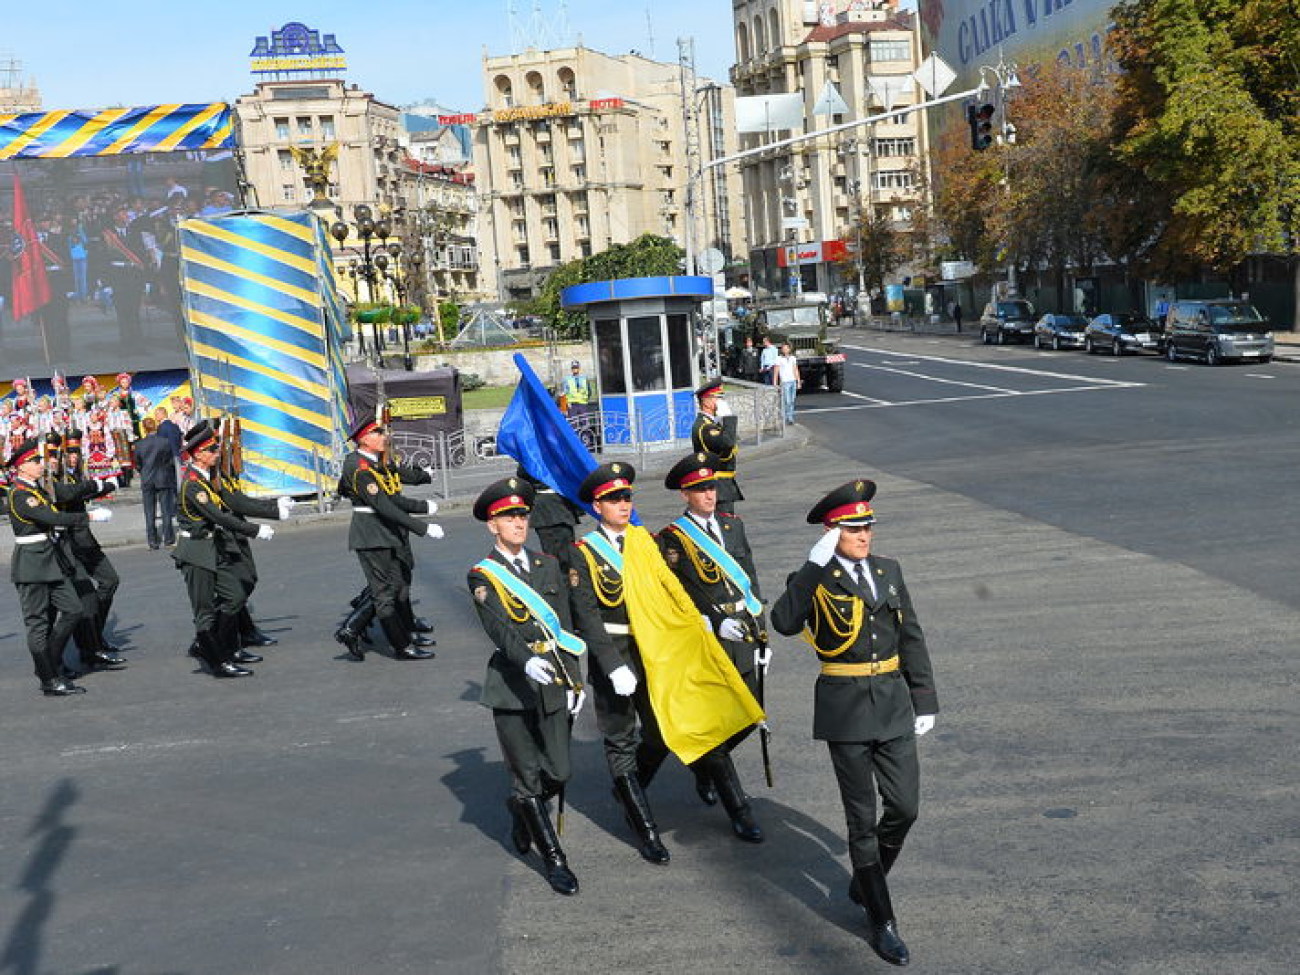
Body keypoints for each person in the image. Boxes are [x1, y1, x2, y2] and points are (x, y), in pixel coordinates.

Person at [770, 479, 939, 967]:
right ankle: (882, 920)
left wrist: (924, 698)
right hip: (844, 709)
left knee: (905, 807)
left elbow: (911, 636)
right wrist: (813, 564)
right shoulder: (812, 578)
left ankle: (867, 879)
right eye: (852, 527)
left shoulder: (889, 570)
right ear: (831, 532)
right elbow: (783, 622)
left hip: (892, 702)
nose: (864, 535)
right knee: (860, 818)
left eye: (868, 526)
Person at [466, 476, 621, 896]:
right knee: (528, 776)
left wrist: (574, 677)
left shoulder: (546, 565)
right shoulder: (482, 576)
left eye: (522, 514)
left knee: (560, 770)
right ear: (491, 525)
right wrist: (527, 660)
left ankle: (519, 808)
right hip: (513, 687)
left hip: (555, 681)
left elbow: (566, 627)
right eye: (508, 516)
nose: (518, 522)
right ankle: (554, 859)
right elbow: (499, 627)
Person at [653, 451, 766, 842]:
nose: (709, 494)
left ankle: (703, 766)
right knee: (716, 725)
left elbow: (750, 579)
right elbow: (677, 591)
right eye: (700, 489)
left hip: (744, 633)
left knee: (750, 714)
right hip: (708, 638)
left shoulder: (733, 526)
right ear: (685, 494)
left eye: (711, 486)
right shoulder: (673, 538)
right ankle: (739, 808)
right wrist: (715, 621)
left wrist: (761, 631)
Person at [568, 462, 669, 865]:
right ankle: (644, 827)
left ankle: (630, 789)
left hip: (652, 652)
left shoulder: (647, 543)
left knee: (661, 735)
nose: (623, 504)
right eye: (614, 499)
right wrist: (611, 664)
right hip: (616, 655)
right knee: (621, 737)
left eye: (627, 497)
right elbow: (587, 615)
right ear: (597, 506)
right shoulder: (583, 554)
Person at [5, 437, 113, 696]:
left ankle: (50, 662)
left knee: (73, 609)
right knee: (38, 623)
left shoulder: (37, 490)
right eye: (34, 461)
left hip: (51, 559)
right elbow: (50, 517)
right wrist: (87, 516)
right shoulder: (21, 495)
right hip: (32, 562)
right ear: (21, 467)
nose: (40, 464)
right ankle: (48, 679)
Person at [172, 421, 280, 678]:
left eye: (216, 447)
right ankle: (218, 661)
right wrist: (254, 529)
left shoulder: (207, 478)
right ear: (197, 453)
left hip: (212, 547)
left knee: (234, 595)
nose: (216, 452)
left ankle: (227, 648)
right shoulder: (194, 485)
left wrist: (271, 508)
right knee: (204, 611)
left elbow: (228, 503)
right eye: (211, 449)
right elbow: (219, 517)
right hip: (196, 552)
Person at [333, 416, 443, 662]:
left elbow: (393, 485)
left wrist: (422, 480)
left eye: (383, 432)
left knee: (397, 585)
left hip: (386, 531)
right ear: (363, 439)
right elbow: (383, 504)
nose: (385, 437)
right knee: (383, 594)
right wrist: (422, 527)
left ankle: (371, 629)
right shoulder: (360, 468)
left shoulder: (374, 461)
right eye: (378, 433)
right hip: (372, 535)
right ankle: (400, 646)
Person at [690, 379, 743, 515]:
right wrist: (728, 418)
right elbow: (728, 444)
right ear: (706, 401)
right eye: (717, 397)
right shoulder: (704, 427)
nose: (720, 401)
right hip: (717, 485)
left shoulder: (712, 424)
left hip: (723, 485)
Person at [515, 464, 584, 559]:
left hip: (557, 505)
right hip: (550, 507)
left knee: (565, 550)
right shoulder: (534, 455)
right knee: (552, 551)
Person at [133, 416, 179, 549]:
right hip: (163, 477)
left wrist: (143, 471)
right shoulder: (164, 442)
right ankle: (168, 538)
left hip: (147, 478)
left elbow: (138, 463)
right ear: (155, 426)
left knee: (149, 511)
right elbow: (170, 460)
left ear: (144, 428)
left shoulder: (140, 444)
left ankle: (152, 541)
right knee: (166, 510)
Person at [772, 342, 801, 424]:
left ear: (789, 349)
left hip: (793, 381)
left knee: (792, 400)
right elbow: (776, 371)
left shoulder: (793, 358)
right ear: (781, 350)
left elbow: (795, 370)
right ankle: (786, 417)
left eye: (786, 348)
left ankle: (790, 418)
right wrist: (775, 382)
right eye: (783, 348)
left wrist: (798, 381)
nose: (785, 350)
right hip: (785, 382)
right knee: (787, 401)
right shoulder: (779, 358)